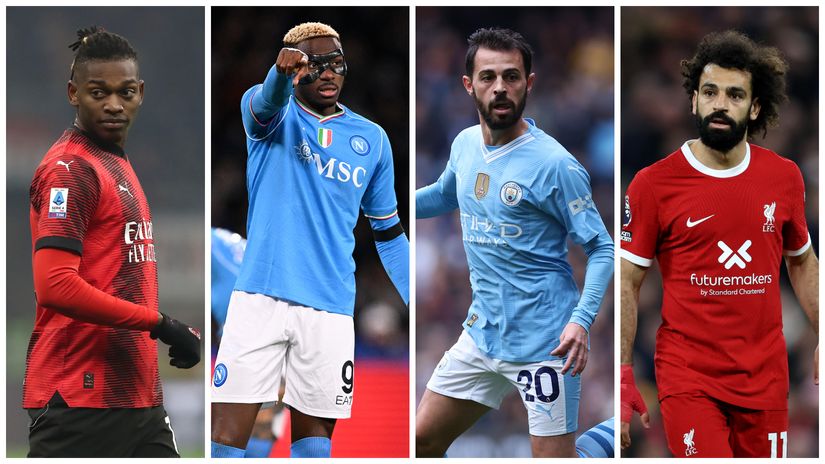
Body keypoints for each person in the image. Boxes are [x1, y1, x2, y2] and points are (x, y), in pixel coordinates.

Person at [210, 22, 409, 459]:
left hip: (331, 308)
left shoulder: (371, 140)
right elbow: (265, 104)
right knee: (226, 436)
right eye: (315, 64)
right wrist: (279, 76)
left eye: (336, 63)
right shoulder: (270, 114)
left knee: (314, 442)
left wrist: (417, 297)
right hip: (259, 297)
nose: (329, 72)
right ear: (295, 68)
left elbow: (389, 234)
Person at [414, 27, 614, 458]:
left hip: (546, 342)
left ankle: (613, 435)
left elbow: (602, 248)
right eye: (488, 77)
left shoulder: (556, 165)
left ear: (530, 82)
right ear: (469, 85)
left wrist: (581, 320)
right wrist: (387, 210)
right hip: (483, 335)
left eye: (511, 76)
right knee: (422, 439)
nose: (500, 88)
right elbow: (446, 194)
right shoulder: (465, 144)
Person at [620, 30, 818, 458]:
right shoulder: (653, 184)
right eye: (709, 92)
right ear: (693, 100)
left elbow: (802, 262)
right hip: (688, 379)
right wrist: (622, 374)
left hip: (765, 379)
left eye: (734, 94)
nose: (720, 104)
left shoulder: (784, 178)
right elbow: (627, 280)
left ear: (755, 106)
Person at [26, 26, 201, 458]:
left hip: (134, 394)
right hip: (80, 395)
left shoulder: (113, 161)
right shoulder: (70, 170)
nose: (113, 105)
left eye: (125, 92)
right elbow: (55, 286)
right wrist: (161, 324)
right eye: (97, 92)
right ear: (73, 93)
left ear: (140, 92)